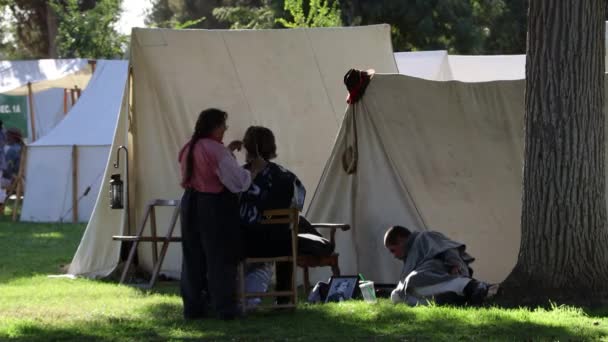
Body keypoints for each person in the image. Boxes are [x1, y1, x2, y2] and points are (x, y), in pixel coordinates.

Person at [178, 108, 251, 320]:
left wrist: (227, 151)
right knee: (220, 256)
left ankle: (193, 308)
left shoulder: (188, 147)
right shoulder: (216, 151)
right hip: (212, 205)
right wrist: (249, 173)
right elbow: (236, 181)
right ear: (215, 126)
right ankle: (225, 308)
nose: (225, 129)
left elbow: (204, 166)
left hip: (190, 202)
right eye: (223, 125)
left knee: (193, 257)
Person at [238, 126, 306, 305]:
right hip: (279, 244)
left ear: (248, 147)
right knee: (289, 235)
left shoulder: (239, 176)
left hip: (245, 244)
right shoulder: (288, 177)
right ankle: (284, 298)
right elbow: (297, 206)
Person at [384, 225, 496, 306]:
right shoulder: (409, 257)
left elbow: (447, 248)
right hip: (429, 279)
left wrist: (454, 264)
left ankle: (472, 286)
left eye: (393, 250)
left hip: (444, 271)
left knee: (412, 279)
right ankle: (449, 300)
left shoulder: (424, 237)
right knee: (397, 296)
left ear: (401, 240)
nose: (394, 255)